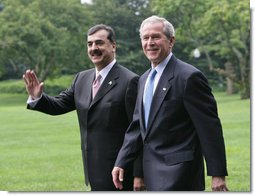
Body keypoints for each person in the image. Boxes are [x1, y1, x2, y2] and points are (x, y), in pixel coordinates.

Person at [112, 15, 229, 191]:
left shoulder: (189, 77)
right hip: (151, 173)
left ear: (171, 40)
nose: (150, 42)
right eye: (145, 38)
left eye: (156, 37)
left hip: (181, 174)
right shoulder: (143, 80)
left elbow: (209, 128)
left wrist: (217, 174)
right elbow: (137, 127)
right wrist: (121, 161)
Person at [23, 24, 144, 191]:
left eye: (99, 43)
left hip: (121, 172)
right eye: (90, 44)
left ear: (113, 45)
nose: (94, 48)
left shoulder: (130, 81)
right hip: (93, 170)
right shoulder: (81, 78)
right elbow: (59, 105)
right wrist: (37, 97)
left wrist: (139, 174)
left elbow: (138, 130)